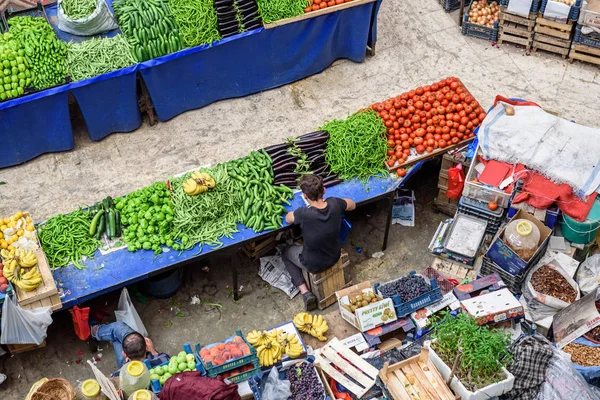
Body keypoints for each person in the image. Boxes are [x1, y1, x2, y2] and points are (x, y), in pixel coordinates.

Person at [283, 174, 356, 311]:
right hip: (334, 255)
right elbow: (352, 204)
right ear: (324, 190)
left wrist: (297, 213)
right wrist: (340, 203)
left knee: (285, 252)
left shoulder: (303, 213)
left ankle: (305, 292)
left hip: (313, 264)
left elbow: (288, 219)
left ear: (304, 196)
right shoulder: (335, 203)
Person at [90, 321, 169, 377]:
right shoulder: (163, 359)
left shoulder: (120, 374)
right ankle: (100, 334)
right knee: (117, 338)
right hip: (140, 362)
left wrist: (124, 367)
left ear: (124, 354)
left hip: (127, 367)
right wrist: (153, 352)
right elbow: (164, 358)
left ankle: (97, 333)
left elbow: (114, 378)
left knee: (117, 331)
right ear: (147, 346)